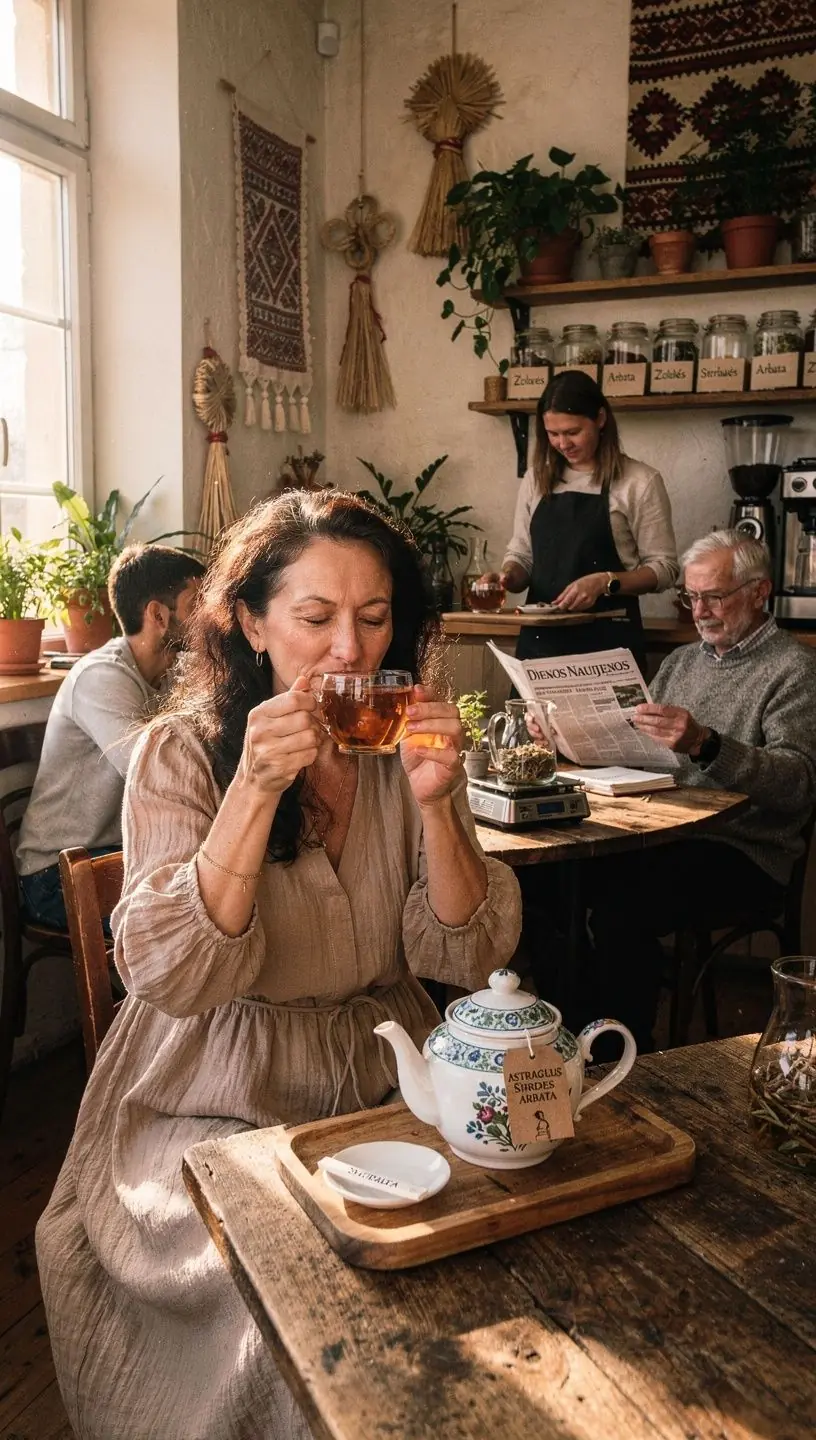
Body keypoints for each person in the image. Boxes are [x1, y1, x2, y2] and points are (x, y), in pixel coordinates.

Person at [36, 489, 522, 1440]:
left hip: (393, 1076)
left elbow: (465, 951)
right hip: (210, 1090)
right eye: (316, 618)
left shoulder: (400, 750)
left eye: (375, 619)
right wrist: (257, 789)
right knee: (289, 1300)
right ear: (251, 624)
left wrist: (435, 803)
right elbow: (172, 976)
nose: (351, 651)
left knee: (492, 1261)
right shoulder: (179, 754)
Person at [586, 529, 816, 1051]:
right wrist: (565, 732)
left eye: (715, 596)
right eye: (692, 597)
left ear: (760, 592)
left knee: (623, 907)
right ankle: (572, 1036)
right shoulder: (683, 662)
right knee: (557, 885)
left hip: (746, 850)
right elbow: (640, 746)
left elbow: (798, 783)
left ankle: (622, 1058)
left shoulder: (796, 670)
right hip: (664, 832)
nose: (701, 611)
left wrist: (707, 745)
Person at [17, 543, 205, 929]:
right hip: (58, 872)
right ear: (158, 615)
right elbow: (152, 774)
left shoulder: (171, 674)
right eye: (196, 604)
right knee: (185, 920)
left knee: (223, 894)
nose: (209, 617)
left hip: (122, 854)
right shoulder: (100, 677)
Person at [484, 370, 679, 668]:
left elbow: (664, 569)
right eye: (553, 434)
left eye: (573, 432)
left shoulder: (639, 481)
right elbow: (522, 556)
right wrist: (506, 577)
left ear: (600, 419)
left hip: (609, 646)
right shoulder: (536, 479)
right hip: (541, 648)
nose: (563, 444)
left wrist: (605, 582)